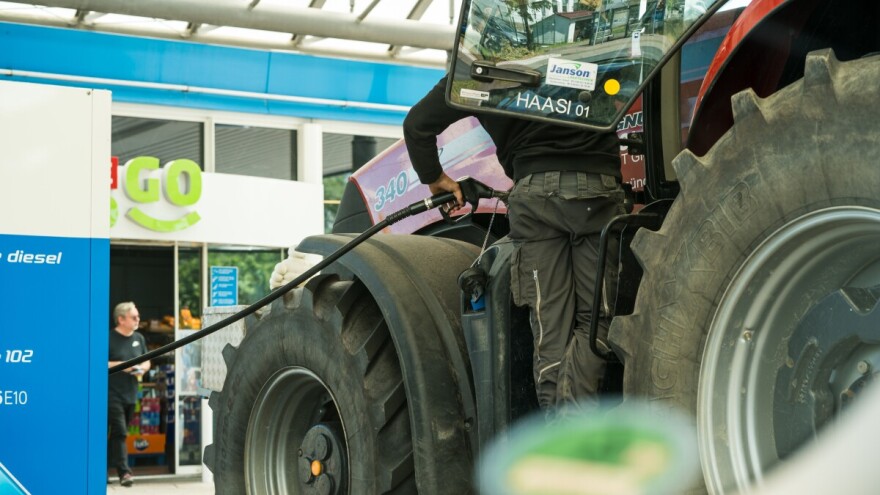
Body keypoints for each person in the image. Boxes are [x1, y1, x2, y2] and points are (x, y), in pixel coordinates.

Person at [403, 75, 624, 418]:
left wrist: (436, 179)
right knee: (595, 321)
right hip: (597, 194)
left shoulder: (486, 69)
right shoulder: (589, 51)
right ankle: (574, 424)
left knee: (550, 325)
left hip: (535, 200)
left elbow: (417, 124)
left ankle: (563, 431)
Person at [108, 301, 150, 487]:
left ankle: (104, 469)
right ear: (121, 319)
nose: (138, 320)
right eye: (134, 317)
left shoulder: (139, 338)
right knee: (120, 431)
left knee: (117, 435)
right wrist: (123, 366)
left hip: (131, 393)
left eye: (138, 316)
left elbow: (147, 361)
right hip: (112, 393)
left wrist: (142, 368)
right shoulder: (108, 338)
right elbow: (100, 362)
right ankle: (124, 473)